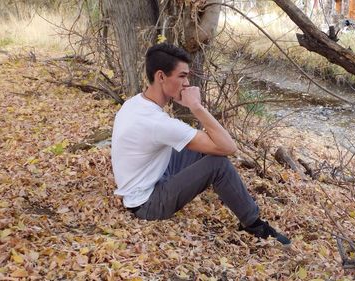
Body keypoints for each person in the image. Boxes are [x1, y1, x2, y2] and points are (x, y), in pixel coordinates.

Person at [111, 43, 290, 245]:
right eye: (182, 76)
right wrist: (196, 107)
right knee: (218, 163)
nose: (187, 83)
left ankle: (230, 194)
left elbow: (213, 142)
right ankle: (255, 225)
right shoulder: (157, 122)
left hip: (143, 183)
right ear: (161, 77)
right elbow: (229, 148)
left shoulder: (136, 102)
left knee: (205, 148)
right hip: (147, 204)